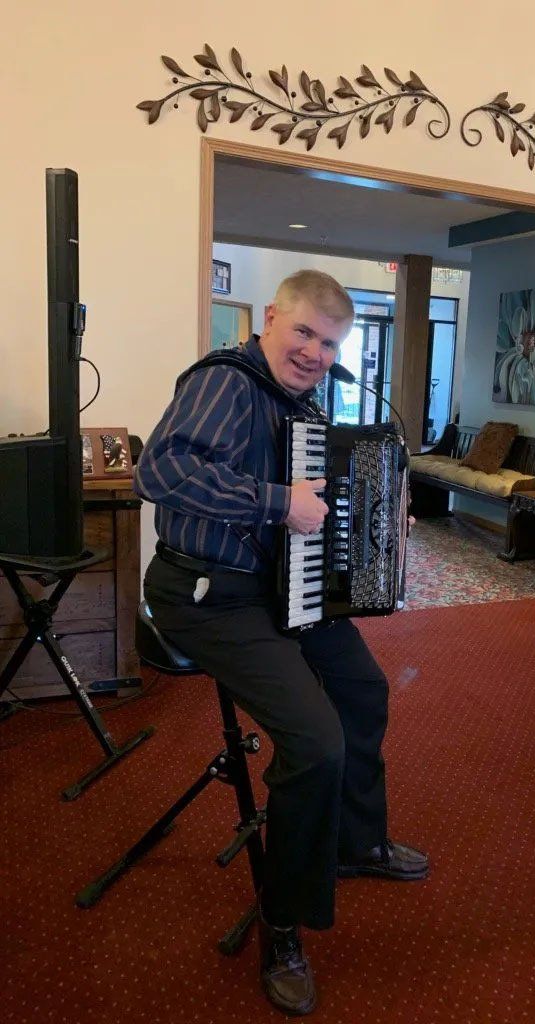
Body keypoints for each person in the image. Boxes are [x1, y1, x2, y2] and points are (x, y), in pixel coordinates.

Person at [134, 270, 427, 1016]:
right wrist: (275, 502)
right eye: (304, 333)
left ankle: (357, 841)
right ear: (271, 319)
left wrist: (379, 515)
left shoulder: (305, 406)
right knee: (317, 742)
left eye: (329, 344)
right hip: (207, 596)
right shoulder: (226, 383)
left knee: (363, 690)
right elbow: (159, 470)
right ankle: (282, 920)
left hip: (278, 589)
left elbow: (316, 508)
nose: (315, 353)